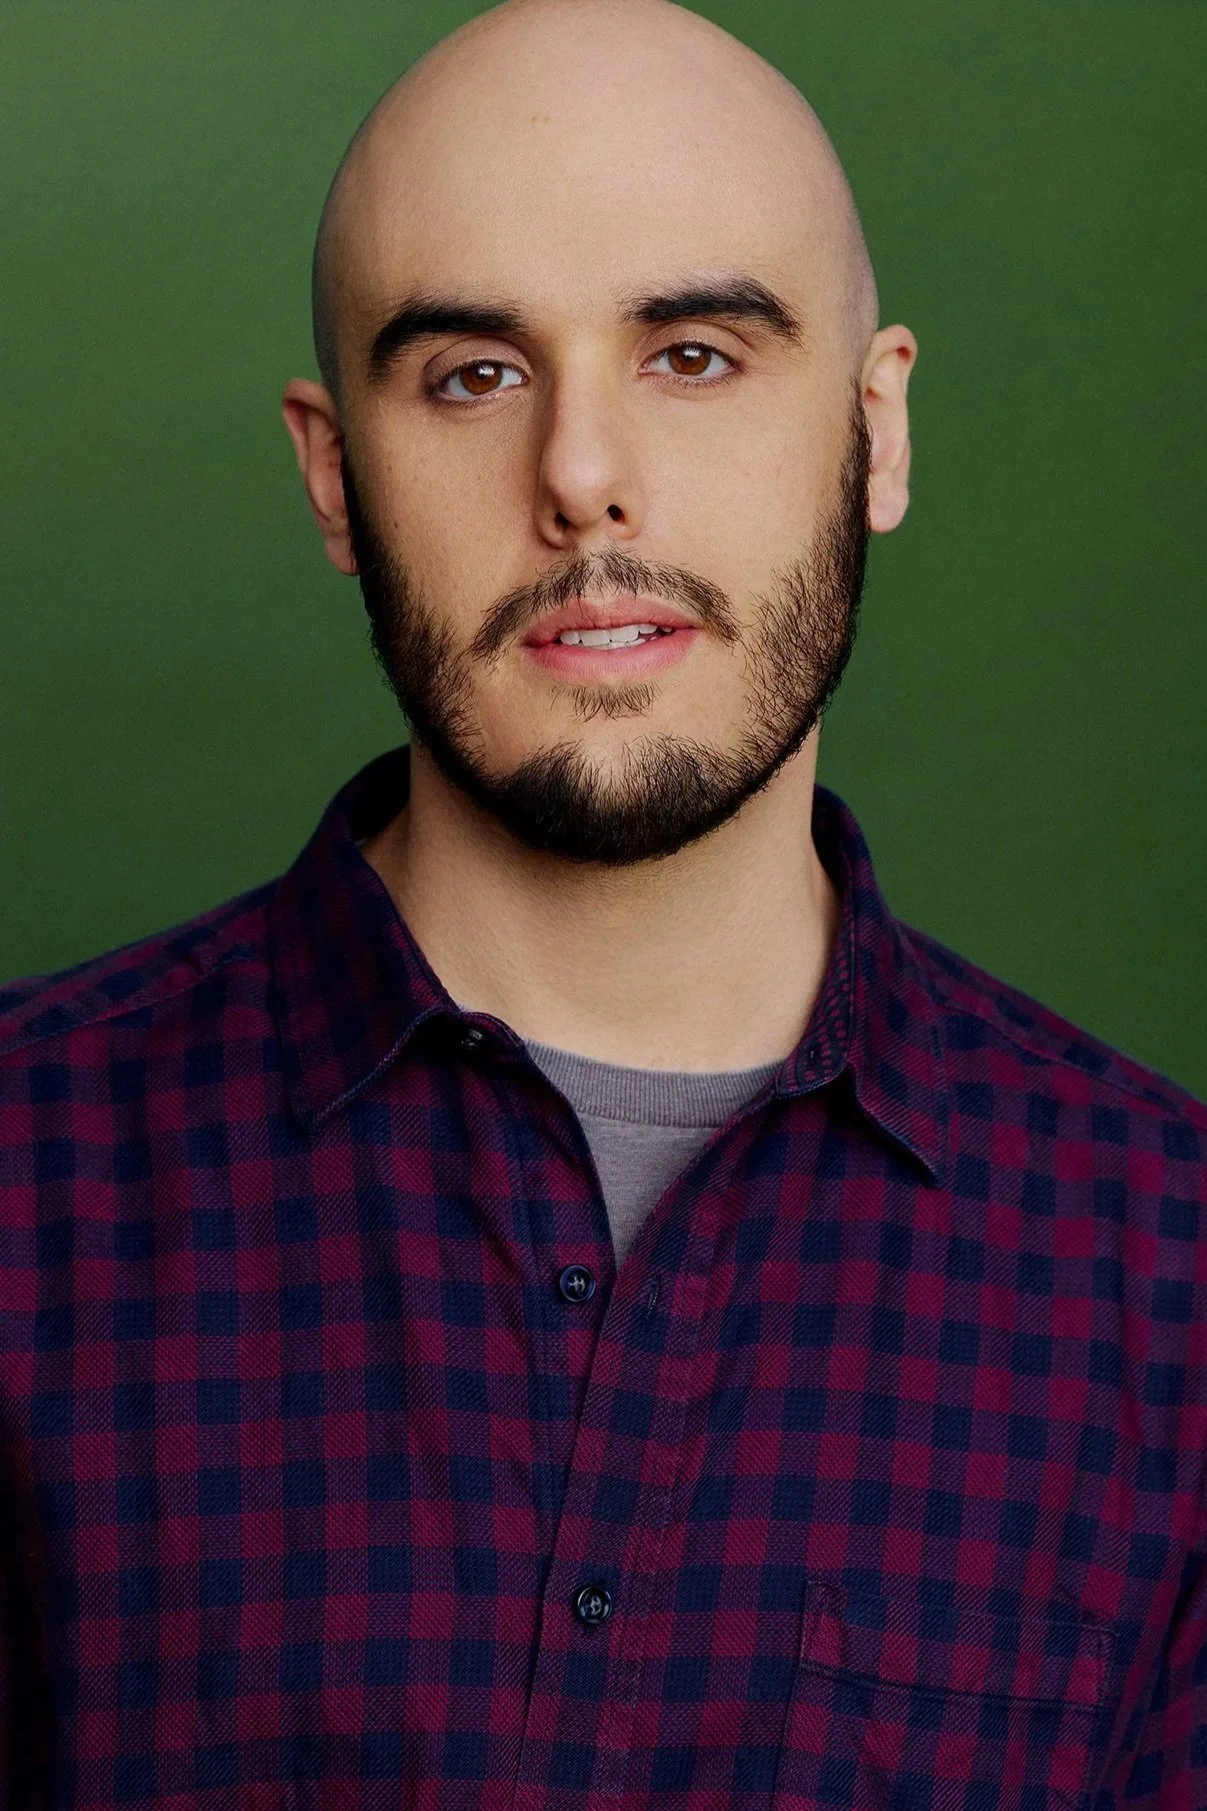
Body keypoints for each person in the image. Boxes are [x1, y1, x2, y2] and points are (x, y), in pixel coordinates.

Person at [0, 0, 1203, 1803]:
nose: (580, 475)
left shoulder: (1170, 1283)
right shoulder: (23, 1179)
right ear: (336, 474)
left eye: (696, 353)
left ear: (876, 431)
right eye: (474, 372)